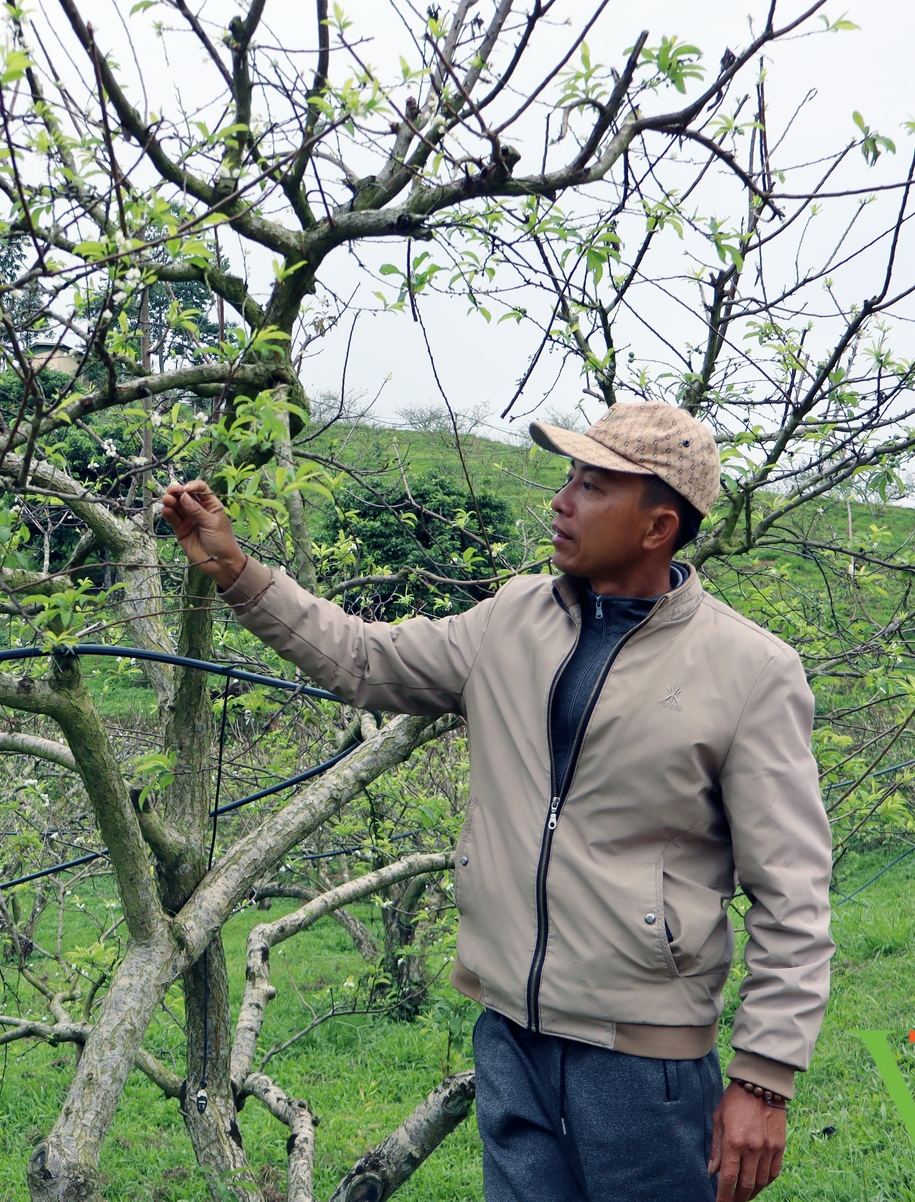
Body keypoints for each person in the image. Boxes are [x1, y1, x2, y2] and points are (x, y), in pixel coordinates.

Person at [160, 400, 832, 1202]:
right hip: (508, 1034)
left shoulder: (750, 669)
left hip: (642, 1060)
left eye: (592, 484)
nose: (562, 498)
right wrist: (240, 573)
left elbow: (793, 892)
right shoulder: (513, 616)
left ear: (657, 527)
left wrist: (762, 1078)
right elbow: (364, 659)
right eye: (567, 476)